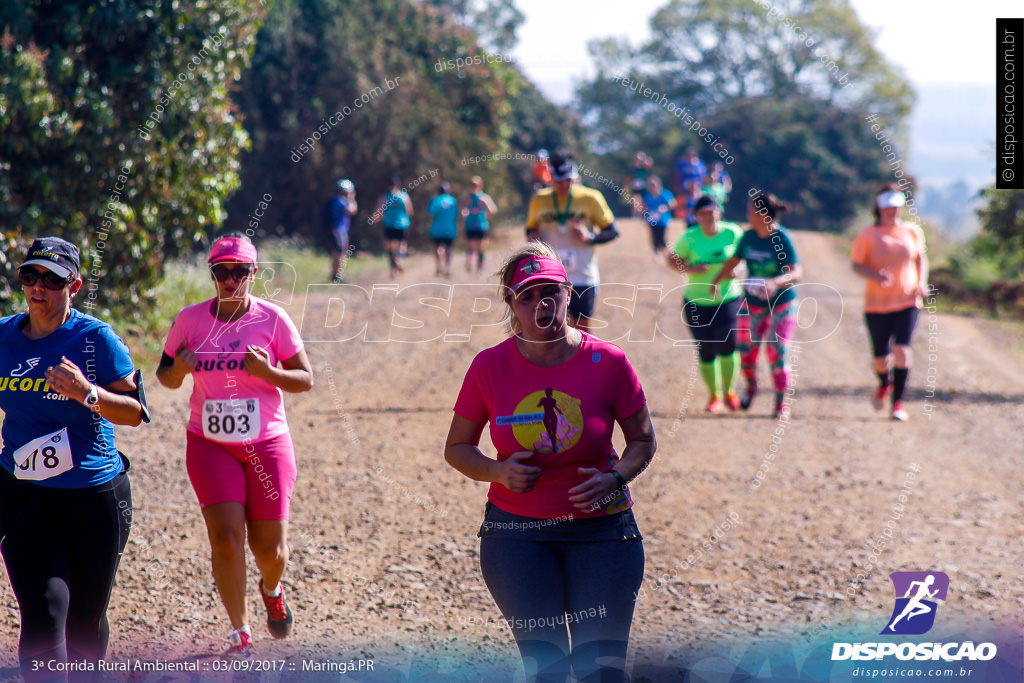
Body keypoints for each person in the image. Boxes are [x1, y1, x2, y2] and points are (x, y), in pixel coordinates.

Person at [445, 243, 656, 683]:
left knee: (602, 671)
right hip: (517, 536)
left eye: (551, 292)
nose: (542, 304)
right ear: (511, 303)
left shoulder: (609, 361)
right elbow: (458, 448)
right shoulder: (489, 367)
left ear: (568, 292)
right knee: (549, 671)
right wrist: (497, 471)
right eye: (527, 295)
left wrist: (614, 478)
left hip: (603, 533)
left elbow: (642, 442)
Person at [156, 234, 313, 656]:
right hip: (209, 443)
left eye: (239, 271)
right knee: (225, 538)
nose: (230, 279)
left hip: (266, 443)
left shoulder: (272, 319)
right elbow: (164, 376)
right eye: (221, 271)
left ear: (253, 273)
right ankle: (239, 629)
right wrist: (180, 371)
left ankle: (272, 587)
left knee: (270, 549)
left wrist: (270, 373)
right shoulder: (189, 320)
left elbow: (305, 379)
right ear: (212, 274)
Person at [0, 237, 148, 681]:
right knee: (44, 614)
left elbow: (137, 413)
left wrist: (87, 393)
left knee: (85, 620)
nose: (38, 286)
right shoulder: (4, 335)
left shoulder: (95, 339)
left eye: (52, 278)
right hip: (24, 493)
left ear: (75, 285)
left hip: (93, 497)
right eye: (30, 275)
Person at [711, 191, 802, 419]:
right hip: (752, 304)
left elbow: (796, 272)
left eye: (750, 211)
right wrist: (717, 280)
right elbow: (734, 260)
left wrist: (775, 282)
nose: (747, 215)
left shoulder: (781, 238)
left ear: (762, 214)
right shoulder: (748, 237)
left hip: (781, 304)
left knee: (777, 353)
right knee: (746, 353)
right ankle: (752, 386)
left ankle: (781, 405)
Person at [851, 185, 929, 421]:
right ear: (879, 207)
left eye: (895, 206)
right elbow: (856, 264)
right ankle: (884, 383)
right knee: (881, 359)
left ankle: (897, 404)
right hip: (876, 304)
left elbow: (920, 258)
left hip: (907, 300)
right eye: (887, 206)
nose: (891, 211)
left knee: (903, 351)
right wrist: (875, 276)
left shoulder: (912, 231)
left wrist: (922, 282)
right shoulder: (867, 234)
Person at [526, 152, 619, 333]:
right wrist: (533, 238)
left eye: (568, 180)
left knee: (582, 330)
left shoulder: (591, 197)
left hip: (582, 275)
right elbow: (530, 230)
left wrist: (589, 237)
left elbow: (612, 231)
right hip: (550, 275)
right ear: (550, 178)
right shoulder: (539, 198)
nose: (563, 185)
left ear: (575, 177)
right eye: (558, 181)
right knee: (552, 329)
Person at [667, 195, 745, 412]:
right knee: (706, 350)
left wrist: (739, 270)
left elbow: (743, 256)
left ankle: (730, 392)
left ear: (719, 212)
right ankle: (714, 395)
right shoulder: (690, 238)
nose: (707, 217)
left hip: (727, 297)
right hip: (696, 301)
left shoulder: (733, 232)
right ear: (696, 216)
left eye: (711, 212)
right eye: (702, 213)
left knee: (729, 345)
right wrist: (690, 269)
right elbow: (671, 259)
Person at [376, 176, 413, 278]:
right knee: (401, 247)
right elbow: (409, 211)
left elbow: (378, 213)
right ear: (398, 185)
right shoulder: (404, 196)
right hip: (402, 224)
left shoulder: (384, 197)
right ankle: (397, 262)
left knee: (390, 248)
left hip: (388, 224)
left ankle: (393, 269)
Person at [322, 178, 357, 283]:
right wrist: (352, 199)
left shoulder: (334, 200)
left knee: (338, 253)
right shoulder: (340, 201)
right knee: (339, 253)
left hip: (338, 230)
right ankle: (336, 276)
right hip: (339, 231)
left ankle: (336, 275)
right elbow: (352, 210)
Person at [462, 176, 498, 275]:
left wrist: (485, 206)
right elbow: (462, 210)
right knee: (470, 247)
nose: (474, 187)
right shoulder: (467, 198)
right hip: (470, 226)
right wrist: (464, 213)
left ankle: (479, 269)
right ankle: (469, 264)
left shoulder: (485, 197)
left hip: (481, 226)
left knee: (481, 248)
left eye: (476, 185)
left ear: (480, 186)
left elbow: (493, 210)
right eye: (472, 185)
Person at [640, 175, 675, 259]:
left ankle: (666, 253)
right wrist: (644, 217)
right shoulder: (647, 196)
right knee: (654, 237)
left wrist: (665, 208)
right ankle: (656, 253)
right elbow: (644, 207)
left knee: (662, 237)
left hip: (663, 220)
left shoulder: (665, 194)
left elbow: (673, 204)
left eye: (653, 185)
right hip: (652, 220)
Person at [428, 182, 459, 277]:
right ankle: (447, 268)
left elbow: (430, 214)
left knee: (437, 248)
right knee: (448, 249)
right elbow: (456, 215)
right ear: (448, 190)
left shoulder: (435, 200)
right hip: (449, 229)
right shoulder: (453, 201)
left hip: (436, 229)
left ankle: (438, 267)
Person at [674, 148, 706, 224]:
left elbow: (703, 176)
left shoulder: (700, 164)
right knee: (686, 204)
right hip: (685, 189)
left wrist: (702, 187)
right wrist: (677, 187)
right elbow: (677, 176)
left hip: (697, 188)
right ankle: (687, 218)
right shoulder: (682, 163)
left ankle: (697, 216)